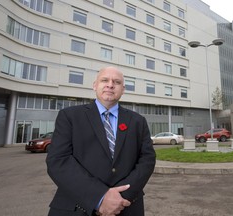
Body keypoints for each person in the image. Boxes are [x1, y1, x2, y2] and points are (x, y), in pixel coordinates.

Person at [46, 66, 156, 216]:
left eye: (116, 82)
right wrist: (100, 197)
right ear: (95, 85)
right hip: (77, 207)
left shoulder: (138, 121)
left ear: (123, 89)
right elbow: (58, 161)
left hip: (126, 206)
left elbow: (147, 160)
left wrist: (119, 197)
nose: (110, 85)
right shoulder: (70, 116)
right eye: (104, 80)